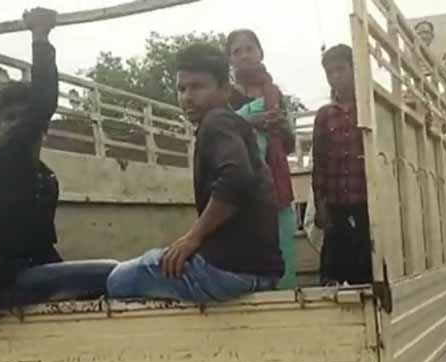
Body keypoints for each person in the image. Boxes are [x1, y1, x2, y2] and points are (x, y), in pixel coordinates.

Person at [0, 8, 118, 309]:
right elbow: (44, 101)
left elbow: (41, 247)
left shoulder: (44, 177)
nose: (14, 126)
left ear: (41, 129)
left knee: (104, 278)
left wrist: (67, 276)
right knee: (112, 272)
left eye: (23, 118)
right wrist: (40, 36)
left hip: (22, 277)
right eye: (8, 118)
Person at [106, 43, 282, 303]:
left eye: (198, 87)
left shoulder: (216, 121)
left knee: (119, 279)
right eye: (181, 89)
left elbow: (236, 177)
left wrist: (192, 238)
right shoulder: (234, 124)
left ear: (225, 90)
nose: (187, 97)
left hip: (228, 272)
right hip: (261, 272)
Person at [225, 29, 298, 290]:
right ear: (230, 59)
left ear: (261, 53)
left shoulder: (274, 94)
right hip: (240, 184)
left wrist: (282, 127)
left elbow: (289, 146)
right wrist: (248, 121)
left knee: (281, 247)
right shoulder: (225, 96)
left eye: (250, 49)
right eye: (237, 51)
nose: (245, 55)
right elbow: (216, 130)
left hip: (275, 184)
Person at [312, 44, 372, 285]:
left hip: (368, 201)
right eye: (330, 72)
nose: (335, 76)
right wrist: (320, 205)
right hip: (336, 202)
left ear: (354, 69)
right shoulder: (325, 115)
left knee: (367, 264)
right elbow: (319, 161)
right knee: (332, 268)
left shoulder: (370, 107)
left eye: (341, 69)